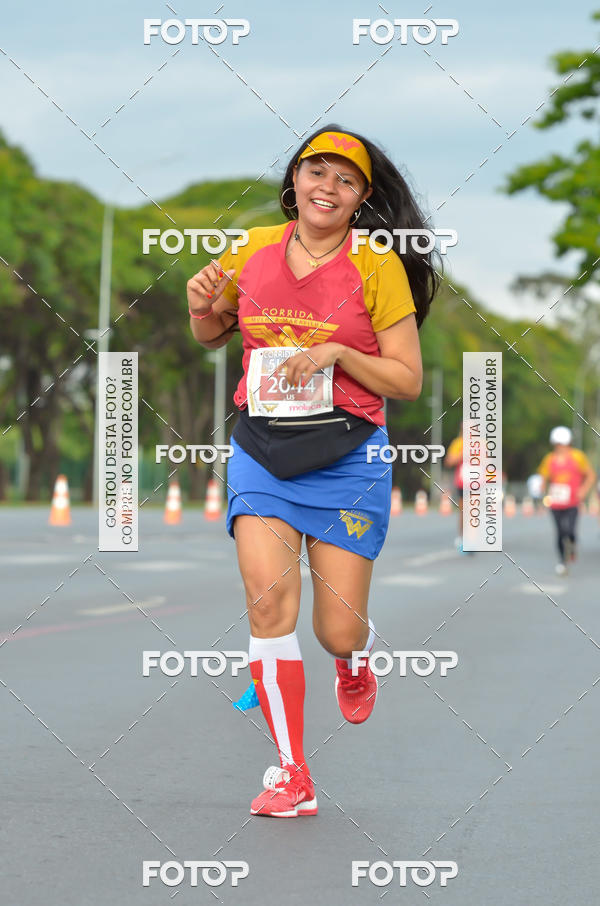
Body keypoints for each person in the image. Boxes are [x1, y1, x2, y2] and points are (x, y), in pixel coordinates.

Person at [187, 126, 439, 817]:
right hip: (262, 449)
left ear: (361, 198)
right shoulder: (251, 249)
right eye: (315, 172)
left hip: (348, 457)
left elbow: (408, 379)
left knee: (336, 629)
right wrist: (197, 300)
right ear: (294, 181)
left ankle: (355, 660)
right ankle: (292, 774)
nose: (327, 187)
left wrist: (335, 354)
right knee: (268, 604)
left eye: (345, 180)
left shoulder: (376, 265)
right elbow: (211, 331)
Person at [537, 426, 596, 575]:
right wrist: (542, 490)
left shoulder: (578, 457)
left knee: (569, 530)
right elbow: (543, 478)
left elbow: (591, 475)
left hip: (572, 503)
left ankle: (573, 545)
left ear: (568, 443)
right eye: (557, 444)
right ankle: (562, 561)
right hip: (556, 503)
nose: (560, 447)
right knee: (559, 532)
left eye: (562, 444)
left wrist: (583, 490)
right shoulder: (549, 459)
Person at [444, 423, 467, 552]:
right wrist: (463, 454)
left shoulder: (481, 443)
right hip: (463, 482)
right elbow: (449, 461)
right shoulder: (458, 443)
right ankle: (462, 537)